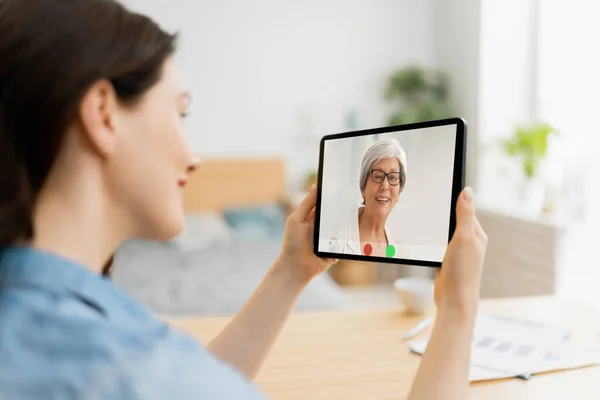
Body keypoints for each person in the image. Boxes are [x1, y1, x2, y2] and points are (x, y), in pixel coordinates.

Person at [0, 1, 487, 399]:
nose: (194, 158)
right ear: (104, 114)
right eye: (180, 113)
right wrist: (458, 311)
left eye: (394, 179)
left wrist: (290, 270)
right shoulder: (123, 364)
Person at [329, 139, 408, 257]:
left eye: (392, 178)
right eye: (378, 176)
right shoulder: (336, 244)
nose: (385, 186)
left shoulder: (400, 250)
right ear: (363, 187)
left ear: (399, 191)